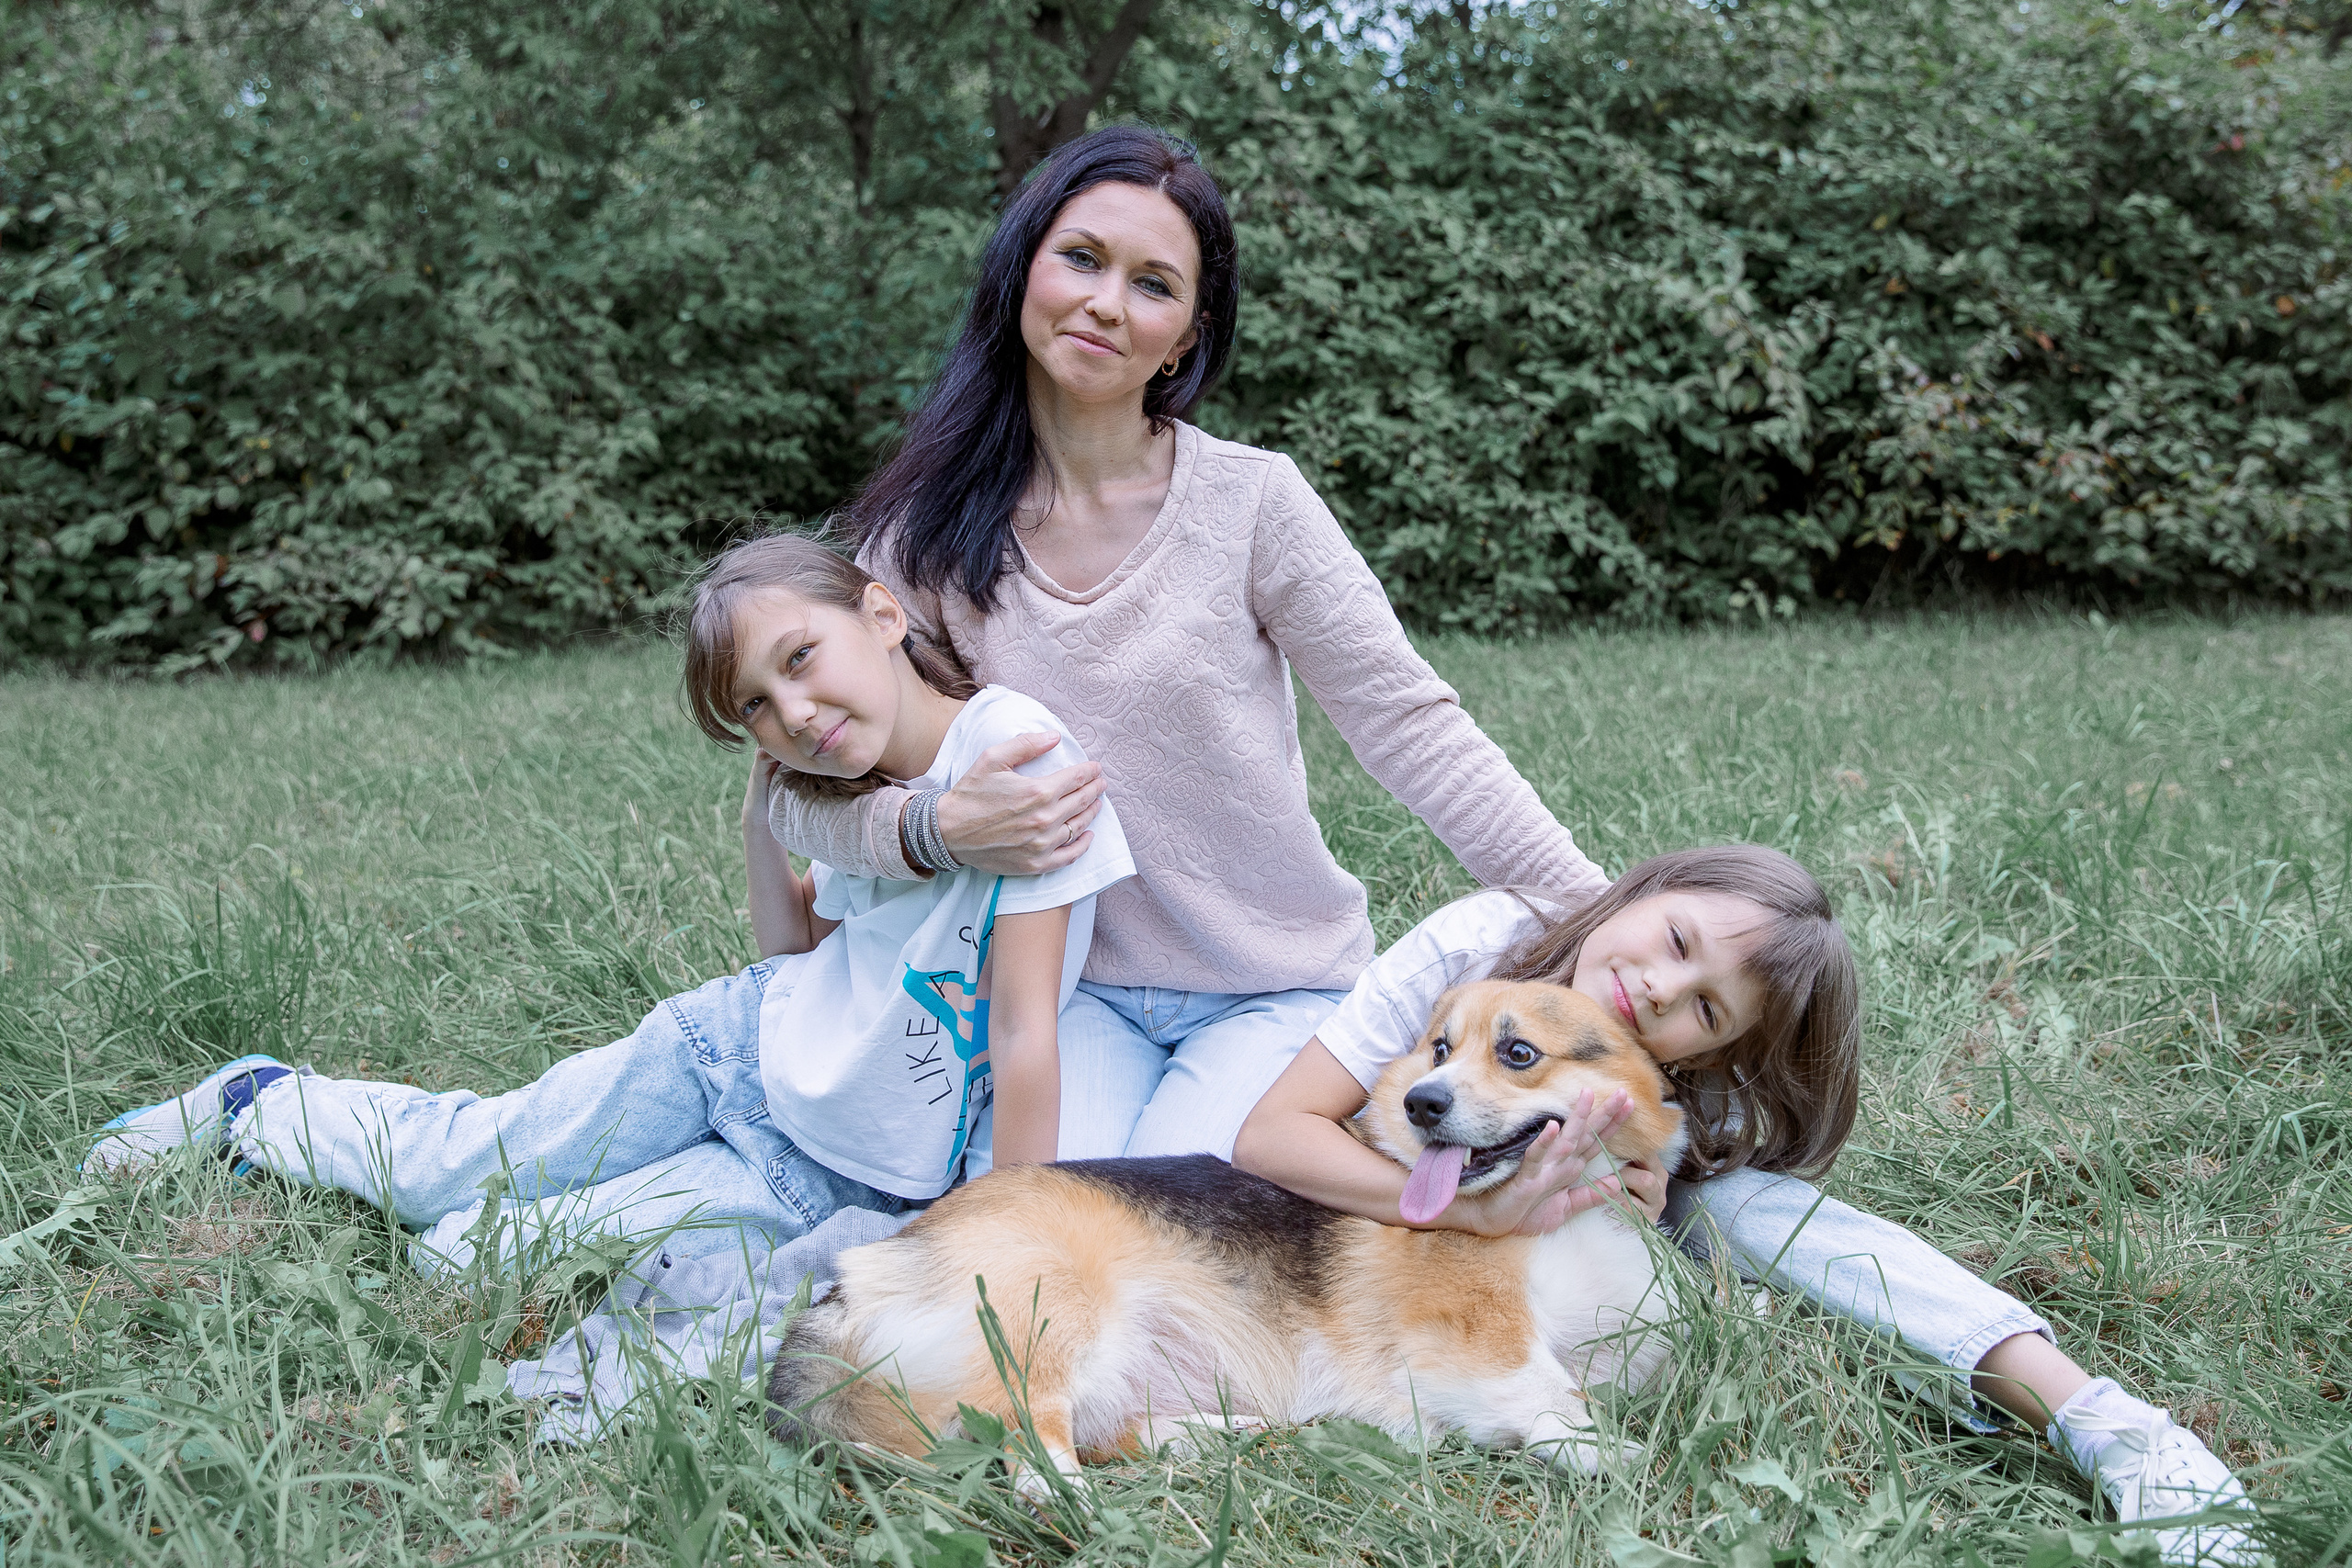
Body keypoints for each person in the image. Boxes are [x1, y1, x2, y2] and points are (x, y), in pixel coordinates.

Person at [768, 122, 1614, 1164]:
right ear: (1020, 267)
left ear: (1182, 338)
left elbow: (1413, 730)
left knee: (1167, 1223)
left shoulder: (1254, 502)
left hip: (1275, 989)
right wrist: (938, 827)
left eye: (1153, 285)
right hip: (1059, 994)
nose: (1106, 303)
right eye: (1080, 258)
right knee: (1062, 1227)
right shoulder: (920, 537)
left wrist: (1601, 923)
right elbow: (805, 788)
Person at [84, 536, 1135, 1278]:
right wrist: (764, 801)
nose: (794, 713)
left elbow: (1022, 1027)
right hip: (731, 1054)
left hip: (825, 1172)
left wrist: (1016, 1248)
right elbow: (791, 948)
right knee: (467, 1168)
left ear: (882, 613)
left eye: (799, 660)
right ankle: (254, 1100)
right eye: (754, 709)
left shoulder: (1014, 756)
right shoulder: (850, 790)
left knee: (471, 1259)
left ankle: (284, 1126)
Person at [1234, 845, 2262, 1567]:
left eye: (1705, 1007)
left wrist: (1636, 1202)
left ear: (1714, 1049)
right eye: (1674, 939)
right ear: (1643, 887)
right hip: (1416, 1205)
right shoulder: (1482, 941)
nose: (1659, 991)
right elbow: (1271, 1136)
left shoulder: (1679, 1074)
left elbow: (1664, 1195)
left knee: (1761, 1217)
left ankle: (2100, 1419)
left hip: (1620, 1225)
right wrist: (1465, 1211)